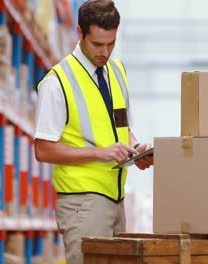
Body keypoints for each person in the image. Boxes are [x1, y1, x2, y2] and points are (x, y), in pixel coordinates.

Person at [34, 0, 153, 263]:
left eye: (110, 43)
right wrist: (101, 153)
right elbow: (42, 149)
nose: (105, 51)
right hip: (82, 205)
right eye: (97, 44)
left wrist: (137, 149)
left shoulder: (117, 72)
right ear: (80, 33)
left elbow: (123, 129)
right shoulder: (57, 82)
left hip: (116, 199)